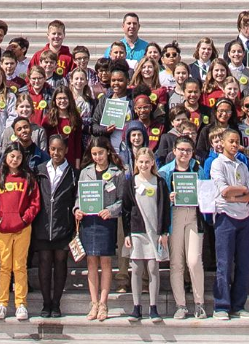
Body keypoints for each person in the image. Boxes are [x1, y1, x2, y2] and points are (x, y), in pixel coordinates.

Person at [209, 127, 249, 320]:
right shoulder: (217, 164)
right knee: (224, 263)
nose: (235, 145)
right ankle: (221, 306)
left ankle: (238, 305)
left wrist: (237, 194)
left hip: (244, 218)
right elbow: (224, 191)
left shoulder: (242, 165)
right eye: (231, 141)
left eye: (237, 141)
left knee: (244, 264)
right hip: (225, 217)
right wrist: (242, 192)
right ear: (222, 143)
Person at [0, 144, 40, 321]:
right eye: (12, 156)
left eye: (18, 157)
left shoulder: (28, 178)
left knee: (20, 266)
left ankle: (21, 304)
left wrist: (25, 220)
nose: (15, 160)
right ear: (5, 157)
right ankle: (1, 303)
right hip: (2, 229)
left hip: (22, 228)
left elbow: (35, 203)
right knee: (4, 267)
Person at [158, 136, 207, 319]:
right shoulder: (165, 172)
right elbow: (159, 201)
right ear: (174, 151)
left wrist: (200, 196)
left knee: (194, 261)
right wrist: (168, 198)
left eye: (188, 150)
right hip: (174, 216)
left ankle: (199, 303)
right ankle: (181, 305)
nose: (184, 153)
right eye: (181, 150)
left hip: (193, 216)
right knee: (176, 262)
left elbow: (206, 194)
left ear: (192, 152)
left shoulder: (198, 170)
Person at [76, 136, 123, 321]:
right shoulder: (85, 172)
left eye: (101, 153)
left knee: (106, 262)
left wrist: (110, 211)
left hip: (106, 221)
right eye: (94, 154)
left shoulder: (116, 172)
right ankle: (94, 302)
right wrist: (77, 209)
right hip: (89, 222)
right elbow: (78, 197)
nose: (97, 157)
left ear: (108, 152)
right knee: (91, 262)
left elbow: (122, 200)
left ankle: (104, 303)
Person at [120, 147, 170, 323]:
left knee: (153, 269)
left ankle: (153, 307)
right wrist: (127, 234)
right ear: (136, 163)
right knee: (136, 269)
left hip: (154, 231)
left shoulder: (160, 182)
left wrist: (164, 232)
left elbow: (164, 208)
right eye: (140, 162)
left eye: (147, 162)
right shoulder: (131, 182)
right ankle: (136, 307)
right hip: (137, 230)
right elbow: (126, 209)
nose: (144, 165)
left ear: (152, 163)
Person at [31, 135, 77, 318]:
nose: (56, 153)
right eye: (52, 149)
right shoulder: (40, 170)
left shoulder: (73, 172)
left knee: (60, 263)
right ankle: (46, 303)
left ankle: (56, 303)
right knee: (44, 263)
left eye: (59, 149)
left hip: (63, 225)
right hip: (43, 224)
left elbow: (75, 198)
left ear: (66, 150)